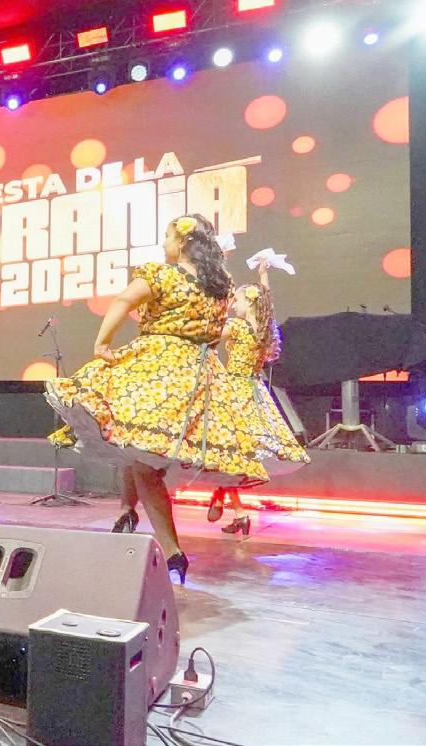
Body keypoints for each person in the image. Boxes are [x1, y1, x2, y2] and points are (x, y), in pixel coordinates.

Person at [44, 214, 266, 584]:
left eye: (167, 235)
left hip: (158, 370)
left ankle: (170, 548)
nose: (164, 243)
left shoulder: (162, 275)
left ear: (183, 241)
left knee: (139, 453)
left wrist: (102, 343)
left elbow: (123, 300)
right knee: (138, 452)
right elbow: (214, 334)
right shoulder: (221, 286)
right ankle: (137, 519)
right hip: (199, 377)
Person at [207, 262, 310, 534]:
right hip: (255, 392)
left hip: (234, 391)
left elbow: (208, 333)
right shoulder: (264, 330)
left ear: (250, 302)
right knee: (234, 452)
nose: (234, 305)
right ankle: (232, 506)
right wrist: (263, 274)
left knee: (226, 450)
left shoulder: (238, 327)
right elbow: (266, 303)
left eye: (238, 300)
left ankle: (226, 500)